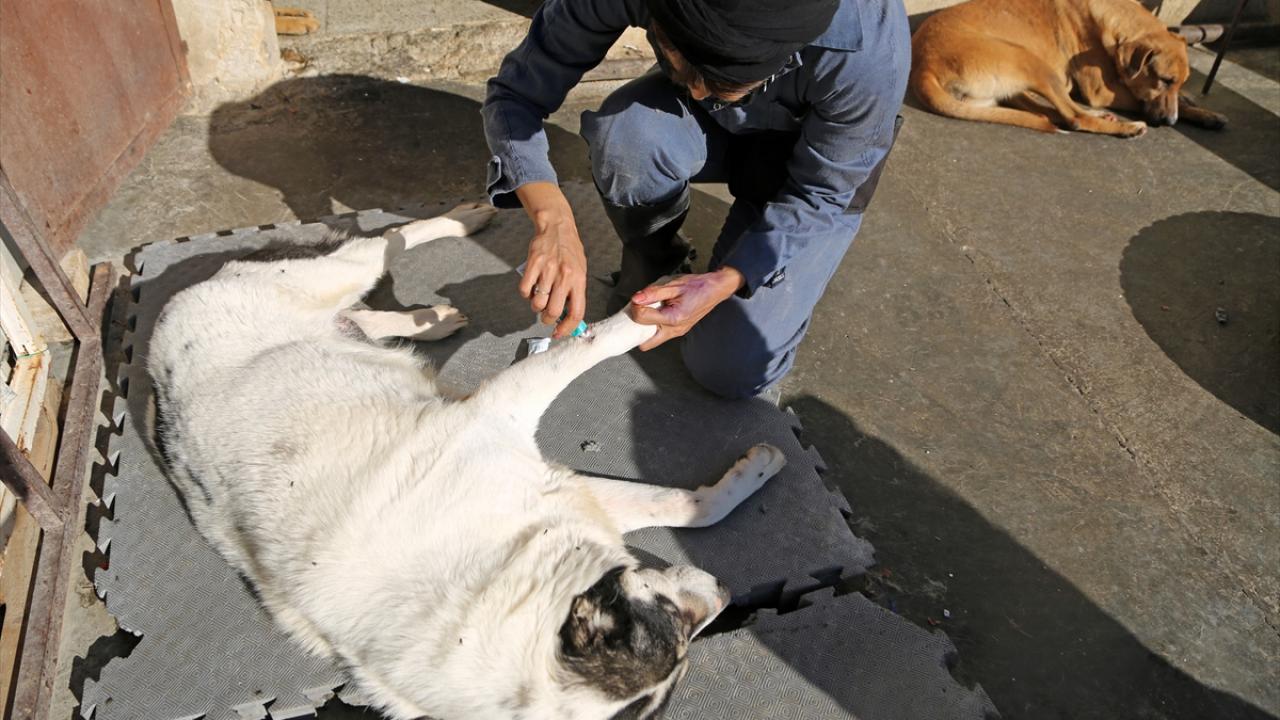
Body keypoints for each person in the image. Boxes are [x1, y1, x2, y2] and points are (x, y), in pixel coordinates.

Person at [482, 0, 909, 398]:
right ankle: (659, 264)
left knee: (728, 369)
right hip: (709, 131)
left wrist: (731, 277)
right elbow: (515, 94)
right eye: (679, 63)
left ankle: (750, 285)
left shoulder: (867, 51)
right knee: (627, 138)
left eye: (725, 83)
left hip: (810, 177)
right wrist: (553, 218)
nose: (700, 92)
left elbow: (822, 194)